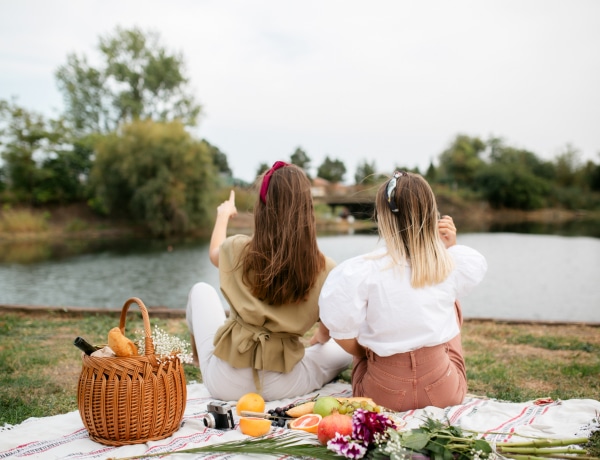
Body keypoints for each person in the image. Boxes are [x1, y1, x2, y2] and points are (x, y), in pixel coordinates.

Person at [318, 171, 487, 412]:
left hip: (380, 395)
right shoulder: (449, 264)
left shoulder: (360, 271)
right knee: (452, 301)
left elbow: (342, 334)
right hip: (443, 390)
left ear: (382, 216)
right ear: (432, 215)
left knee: (362, 327)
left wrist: (369, 352)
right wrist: (450, 247)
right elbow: (459, 276)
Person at [186, 161, 352, 401]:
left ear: (262, 208)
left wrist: (223, 215)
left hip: (224, 384)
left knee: (200, 290)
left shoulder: (237, 248)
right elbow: (327, 331)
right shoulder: (325, 268)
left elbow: (214, 253)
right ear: (308, 210)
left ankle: (200, 360)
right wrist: (318, 340)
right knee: (341, 351)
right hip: (285, 384)